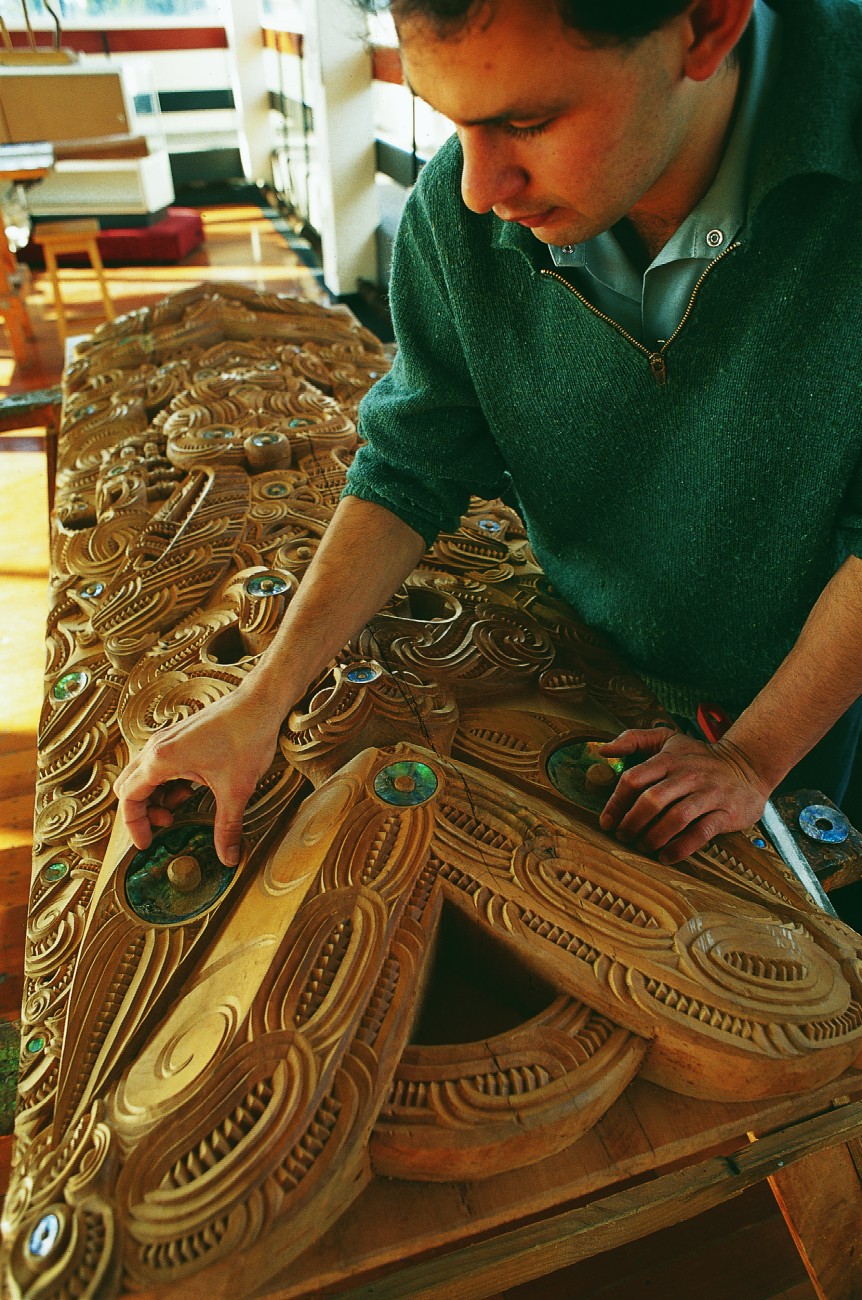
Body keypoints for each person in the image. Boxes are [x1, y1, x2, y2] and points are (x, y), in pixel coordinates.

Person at [115, 0, 862, 874]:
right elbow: (409, 464)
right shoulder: (461, 213)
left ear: (704, 26)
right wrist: (263, 695)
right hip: (596, 660)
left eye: (528, 122)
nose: (476, 190)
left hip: (814, 697)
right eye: (454, 125)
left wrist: (753, 757)